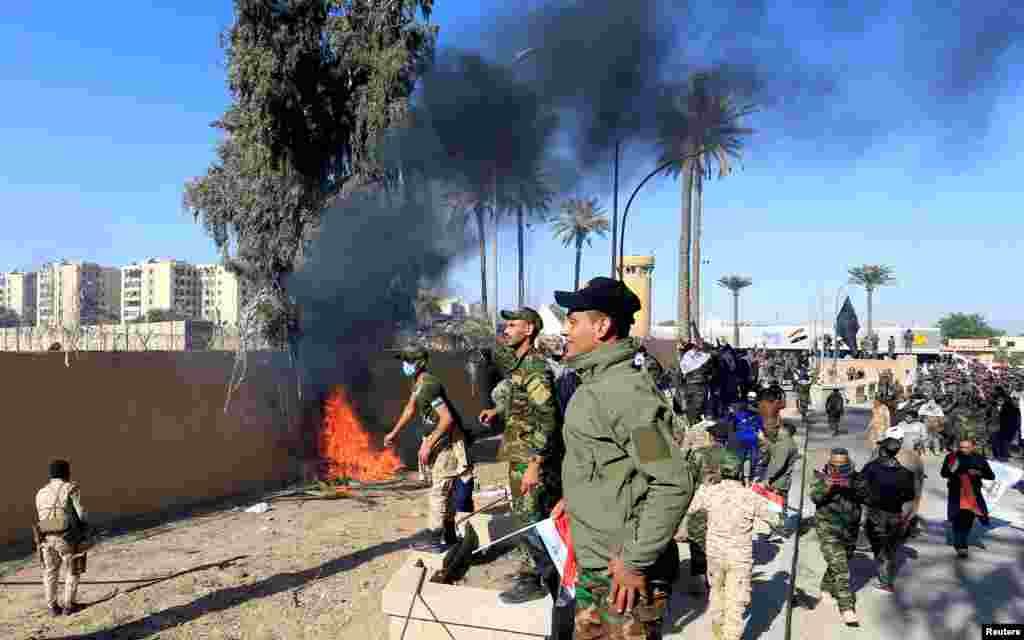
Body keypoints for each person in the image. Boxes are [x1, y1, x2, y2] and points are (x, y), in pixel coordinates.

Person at [551, 277, 695, 640]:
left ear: (602, 326)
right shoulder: (597, 385)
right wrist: (577, 497)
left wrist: (635, 560)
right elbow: (611, 462)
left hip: (620, 579)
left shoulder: (625, 395)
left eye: (573, 322)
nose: (566, 331)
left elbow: (672, 482)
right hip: (598, 566)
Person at [477, 307, 561, 604]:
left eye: (513, 324)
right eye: (507, 324)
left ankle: (538, 579)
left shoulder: (535, 368)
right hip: (520, 450)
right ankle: (536, 572)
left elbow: (548, 418)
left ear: (529, 329)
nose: (507, 329)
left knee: (529, 518)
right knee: (526, 515)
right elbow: (520, 400)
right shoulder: (520, 365)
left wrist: (535, 464)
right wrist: (497, 410)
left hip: (531, 456)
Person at [384, 346, 473, 553]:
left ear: (420, 363)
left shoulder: (428, 386)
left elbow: (447, 419)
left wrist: (428, 445)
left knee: (439, 491)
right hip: (437, 440)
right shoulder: (418, 383)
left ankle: (434, 540)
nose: (405, 365)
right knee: (444, 489)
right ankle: (450, 536)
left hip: (447, 442)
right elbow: (410, 408)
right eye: (404, 360)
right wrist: (394, 433)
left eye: (408, 361)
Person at [687, 447, 774, 640]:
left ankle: (718, 630)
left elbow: (690, 508)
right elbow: (776, 518)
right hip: (739, 558)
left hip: (714, 555)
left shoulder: (709, 492)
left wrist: (704, 487)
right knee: (735, 602)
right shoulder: (750, 496)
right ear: (740, 472)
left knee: (716, 592)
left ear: (720, 470)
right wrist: (765, 493)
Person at [677, 421, 733, 596]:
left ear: (711, 436)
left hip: (701, 505)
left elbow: (688, 480)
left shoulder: (698, 454)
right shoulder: (732, 457)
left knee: (698, 542)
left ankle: (699, 580)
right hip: (723, 507)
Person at [859, 427, 917, 593]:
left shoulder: (871, 468)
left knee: (879, 548)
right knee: (890, 548)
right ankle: (886, 577)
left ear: (883, 450)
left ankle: (885, 581)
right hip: (895, 515)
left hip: (876, 515)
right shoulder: (905, 473)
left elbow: (859, 488)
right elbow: (910, 496)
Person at [810, 448, 863, 626]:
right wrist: (829, 485)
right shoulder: (821, 476)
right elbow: (815, 497)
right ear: (830, 463)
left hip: (850, 528)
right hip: (828, 527)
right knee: (840, 567)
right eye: (835, 465)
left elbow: (868, 495)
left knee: (841, 561)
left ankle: (826, 588)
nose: (839, 468)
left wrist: (852, 487)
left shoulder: (856, 477)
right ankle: (847, 608)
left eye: (843, 465)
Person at [34, 459, 89, 616]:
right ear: (66, 473)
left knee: (50, 572)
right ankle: (69, 605)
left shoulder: (40, 493)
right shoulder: (70, 488)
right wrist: (84, 528)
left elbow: (41, 515)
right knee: (73, 569)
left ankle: (52, 607)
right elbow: (81, 514)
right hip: (66, 537)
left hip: (45, 538)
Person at [939, 436, 994, 558]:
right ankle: (961, 545)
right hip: (956, 492)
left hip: (973, 493)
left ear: (973, 447)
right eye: (961, 447)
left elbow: (991, 476)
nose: (963, 450)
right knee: (958, 518)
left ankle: (962, 540)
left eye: (966, 447)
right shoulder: (951, 457)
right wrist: (952, 469)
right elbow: (943, 473)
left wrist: (978, 472)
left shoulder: (979, 459)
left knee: (968, 519)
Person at [756, 387, 797, 535]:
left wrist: (766, 480)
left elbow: (777, 464)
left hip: (778, 483)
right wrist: (765, 441)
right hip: (780, 482)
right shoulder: (784, 442)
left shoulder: (784, 444)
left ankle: (779, 529)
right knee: (777, 507)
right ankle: (777, 529)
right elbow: (773, 449)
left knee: (777, 508)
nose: (776, 428)